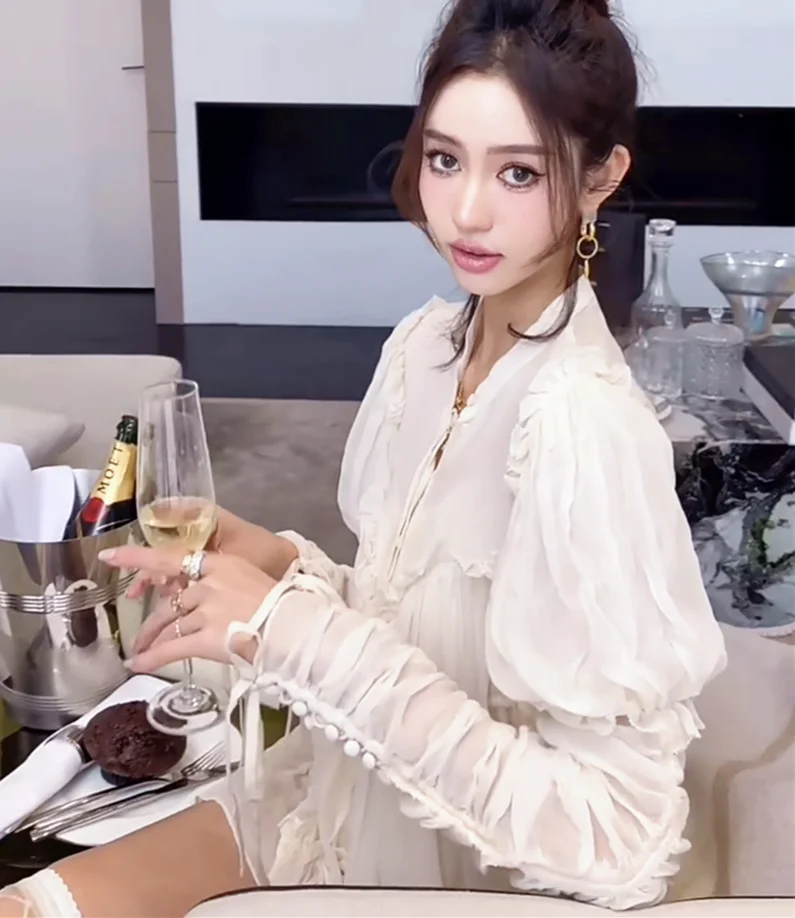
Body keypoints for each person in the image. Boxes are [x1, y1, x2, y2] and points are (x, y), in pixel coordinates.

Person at [1, 0, 731, 915]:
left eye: (518, 172)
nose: (465, 210)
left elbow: (614, 839)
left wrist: (292, 634)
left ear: (600, 178)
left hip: (462, 877)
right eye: (445, 158)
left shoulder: (582, 428)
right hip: (335, 797)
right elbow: (424, 629)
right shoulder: (425, 350)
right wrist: (280, 565)